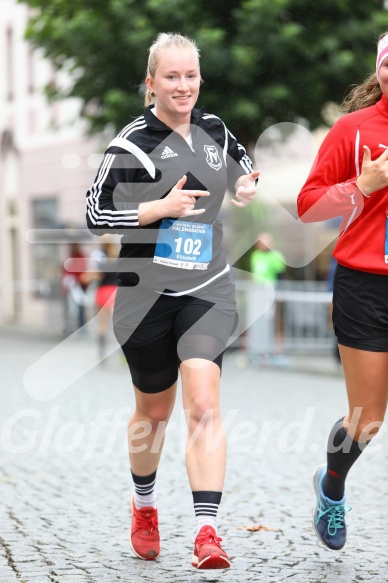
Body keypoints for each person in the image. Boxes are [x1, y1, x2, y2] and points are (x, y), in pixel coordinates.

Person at [86, 33, 259, 569]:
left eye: (191, 76)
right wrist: (158, 208)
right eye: (172, 77)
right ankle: (144, 506)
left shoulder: (214, 128)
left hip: (207, 287)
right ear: (151, 82)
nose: (183, 86)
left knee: (204, 402)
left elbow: (242, 163)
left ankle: (207, 532)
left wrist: (249, 183)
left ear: (199, 79)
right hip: (145, 297)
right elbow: (96, 214)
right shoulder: (131, 145)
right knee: (153, 414)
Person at [297, 32, 388, 551]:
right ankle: (331, 487)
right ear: (379, 71)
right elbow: (308, 206)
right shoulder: (352, 130)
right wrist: (362, 186)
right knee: (367, 419)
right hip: (365, 286)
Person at [89, 237, 119, 360]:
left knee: (102, 325)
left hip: (102, 291)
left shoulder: (99, 257)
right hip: (114, 292)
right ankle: (123, 353)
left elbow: (96, 275)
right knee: (118, 324)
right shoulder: (117, 256)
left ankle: (102, 353)